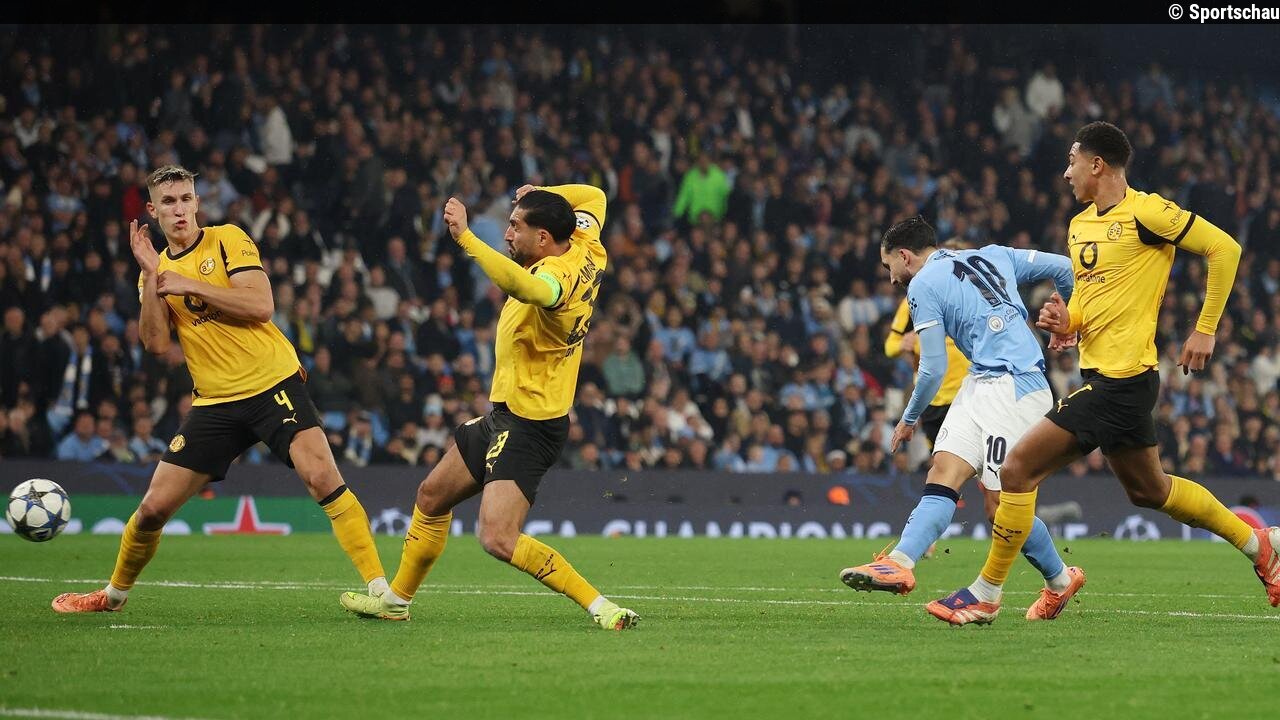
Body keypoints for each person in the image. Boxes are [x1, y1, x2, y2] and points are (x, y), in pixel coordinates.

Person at [929, 121, 1280, 626]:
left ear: (1097, 164)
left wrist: (1205, 329)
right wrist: (1067, 321)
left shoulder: (1148, 212)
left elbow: (1225, 248)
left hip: (1121, 382)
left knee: (1016, 470)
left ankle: (986, 593)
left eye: (1072, 161)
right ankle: (1258, 544)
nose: (1066, 172)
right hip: (1109, 378)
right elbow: (1090, 303)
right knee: (1151, 491)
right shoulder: (1078, 226)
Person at [52, 165, 387, 613]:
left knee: (322, 477)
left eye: (185, 199)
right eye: (168, 202)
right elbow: (155, 344)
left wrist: (188, 283)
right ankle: (112, 596)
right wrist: (152, 274)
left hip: (271, 382)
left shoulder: (227, 239)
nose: (179, 210)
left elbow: (261, 305)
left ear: (197, 203)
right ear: (152, 211)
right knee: (152, 509)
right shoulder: (154, 272)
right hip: (215, 402)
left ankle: (383, 593)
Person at [338, 183, 639, 630]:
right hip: (505, 414)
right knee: (431, 496)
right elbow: (595, 196)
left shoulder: (555, 279)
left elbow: (524, 285)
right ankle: (396, 601)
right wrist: (542, 191)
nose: (508, 234)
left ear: (543, 238)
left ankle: (602, 607)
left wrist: (466, 238)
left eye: (515, 227)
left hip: (530, 424)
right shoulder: (587, 242)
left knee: (497, 537)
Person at [840, 216, 1084, 621]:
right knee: (943, 471)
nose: (891, 278)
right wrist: (1070, 323)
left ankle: (1030, 587)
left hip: (1014, 386)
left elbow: (932, 367)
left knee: (1001, 504)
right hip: (980, 381)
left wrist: (908, 418)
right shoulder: (994, 255)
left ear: (905, 256)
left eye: (889, 266)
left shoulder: (922, 285)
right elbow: (1064, 267)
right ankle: (899, 562)